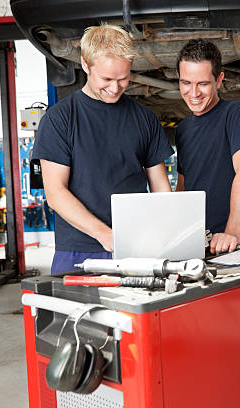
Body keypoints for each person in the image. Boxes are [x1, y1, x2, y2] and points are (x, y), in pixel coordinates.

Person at [32, 24, 174, 274]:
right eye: (107, 79)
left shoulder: (145, 118)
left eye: (123, 79)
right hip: (79, 250)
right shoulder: (59, 119)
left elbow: (161, 188)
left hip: (137, 249)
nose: (115, 87)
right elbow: (55, 193)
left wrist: (165, 235)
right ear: (85, 65)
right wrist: (105, 235)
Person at [175, 39, 240, 254]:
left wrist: (232, 233)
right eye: (186, 83)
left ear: (219, 80)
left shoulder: (237, 114)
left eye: (203, 84)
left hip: (237, 243)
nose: (193, 93)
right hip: (198, 245)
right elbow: (183, 185)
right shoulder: (183, 129)